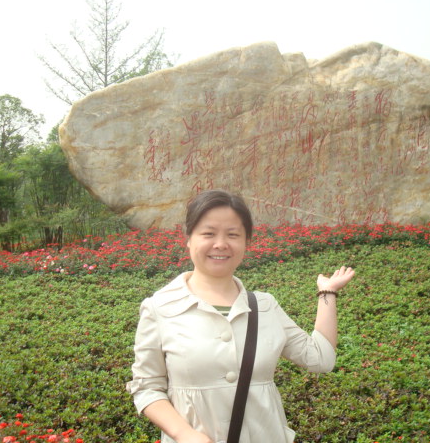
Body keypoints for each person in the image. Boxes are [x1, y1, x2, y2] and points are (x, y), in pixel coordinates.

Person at [126, 189, 355, 443]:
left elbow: (321, 359)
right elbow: (147, 388)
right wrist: (184, 434)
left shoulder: (265, 306)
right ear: (189, 238)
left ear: (246, 242)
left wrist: (327, 292)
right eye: (208, 233)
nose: (220, 244)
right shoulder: (160, 308)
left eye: (233, 234)